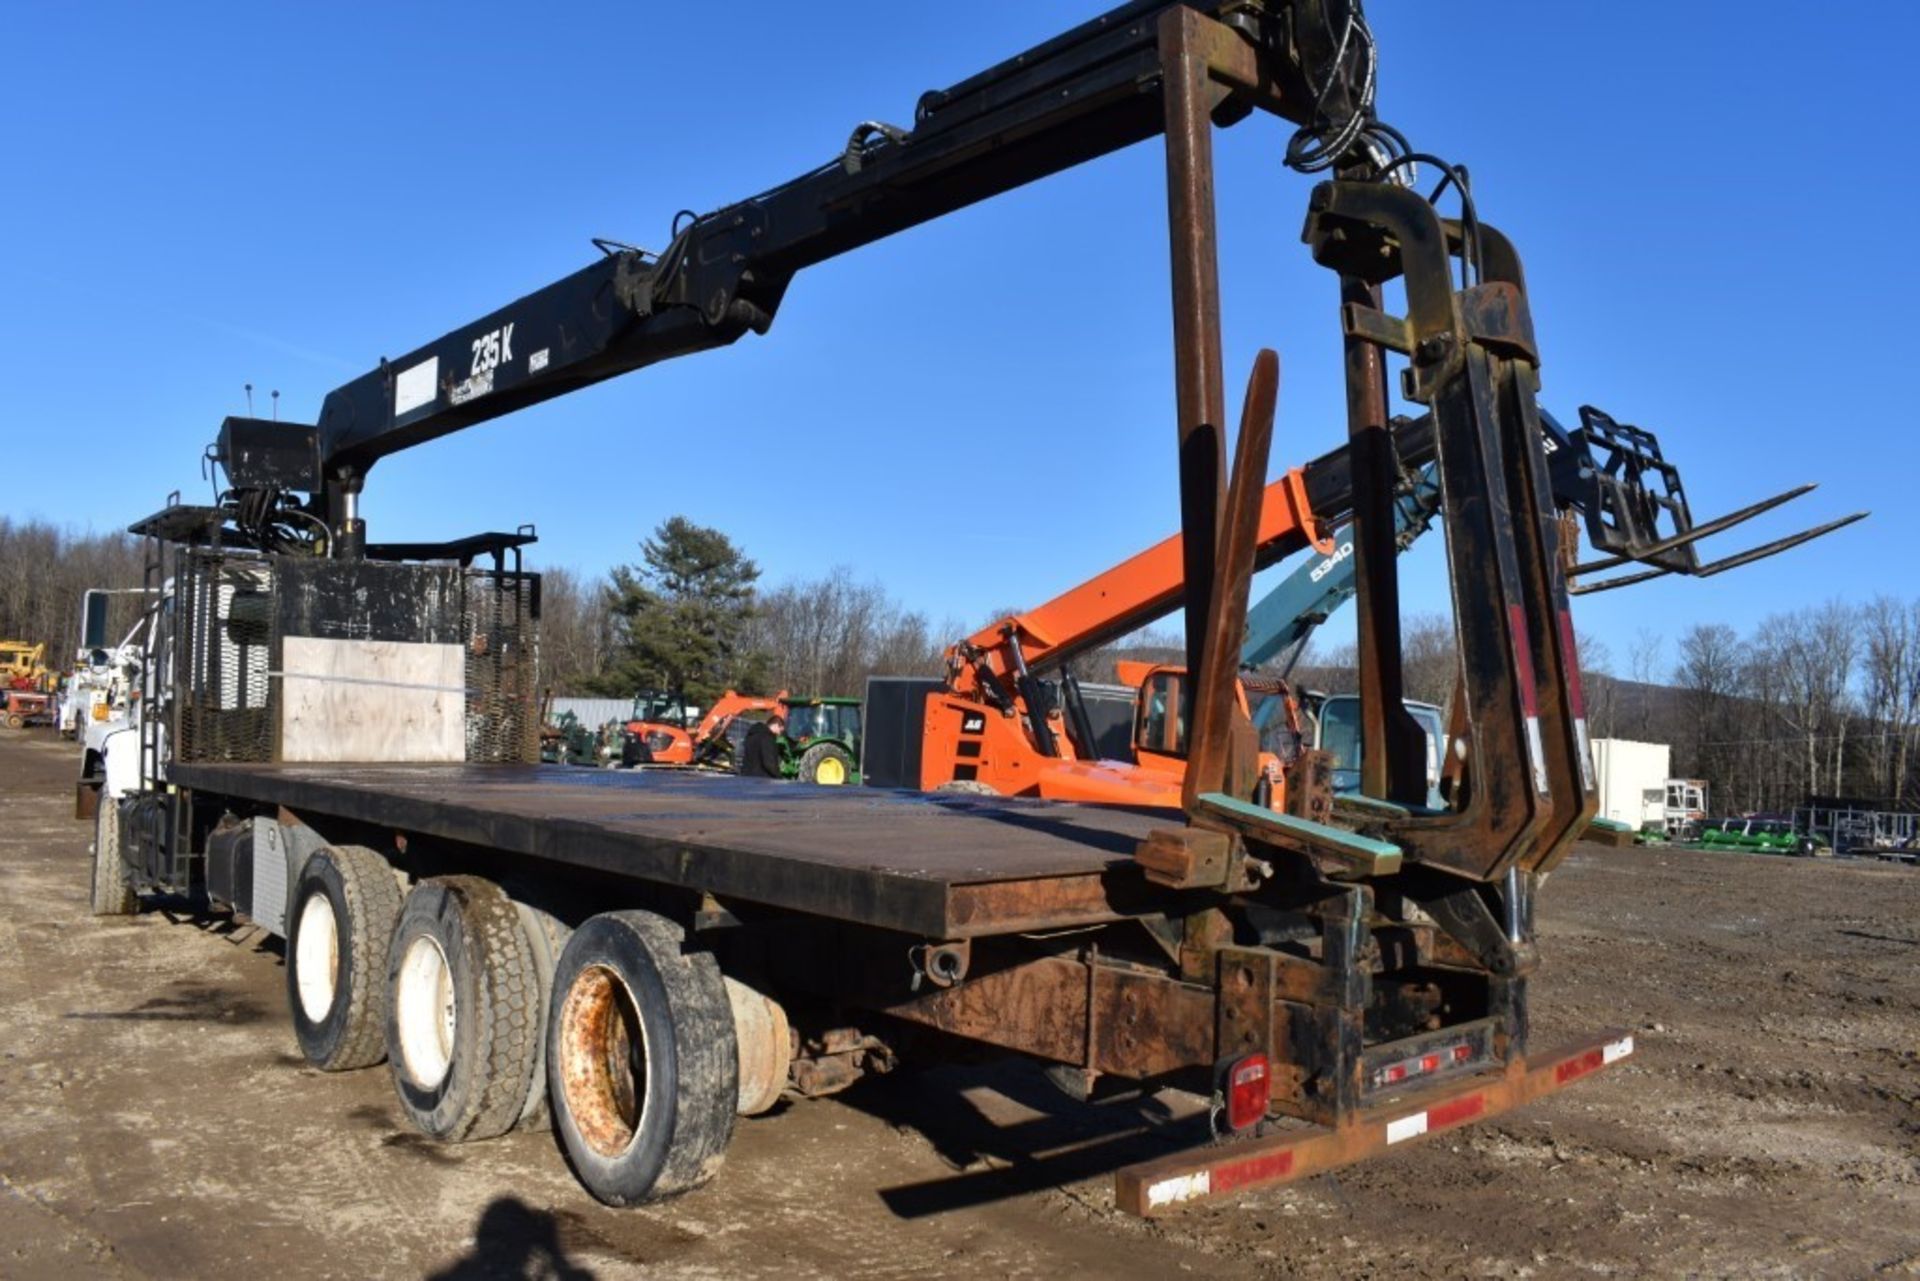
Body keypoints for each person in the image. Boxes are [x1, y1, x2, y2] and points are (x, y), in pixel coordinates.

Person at [739, 714, 786, 779]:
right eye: (780, 730)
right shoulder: (768, 738)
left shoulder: (751, 735)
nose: (779, 733)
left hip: (746, 776)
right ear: (776, 725)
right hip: (762, 779)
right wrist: (778, 776)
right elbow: (769, 762)